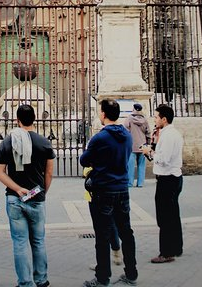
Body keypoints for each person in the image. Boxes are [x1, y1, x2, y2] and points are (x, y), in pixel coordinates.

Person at [0, 104, 55, 287]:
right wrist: (42, 191)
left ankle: (25, 283)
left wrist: (18, 188)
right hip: (37, 198)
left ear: (17, 120)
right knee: (38, 241)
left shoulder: (9, 140)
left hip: (15, 198)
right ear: (34, 119)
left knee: (20, 243)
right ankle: (42, 280)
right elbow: (49, 173)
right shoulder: (44, 142)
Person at [79, 98, 138, 287]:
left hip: (103, 190)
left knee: (102, 236)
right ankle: (131, 273)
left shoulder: (100, 138)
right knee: (126, 233)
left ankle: (103, 277)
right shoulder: (127, 135)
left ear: (103, 114)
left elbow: (84, 160)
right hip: (122, 189)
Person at [141, 103, 183, 263]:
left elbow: (163, 159)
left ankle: (166, 253)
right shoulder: (170, 133)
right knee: (173, 215)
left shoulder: (168, 135)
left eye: (157, 117)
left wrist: (149, 152)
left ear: (164, 119)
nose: (155, 120)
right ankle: (176, 247)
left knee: (164, 217)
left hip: (167, 179)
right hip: (173, 178)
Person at [123, 103, 150, 188]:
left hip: (132, 145)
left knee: (130, 166)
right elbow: (148, 132)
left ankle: (130, 183)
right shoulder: (144, 120)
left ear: (133, 109)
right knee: (141, 165)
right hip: (143, 145)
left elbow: (125, 132)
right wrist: (148, 143)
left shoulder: (129, 119)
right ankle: (140, 183)